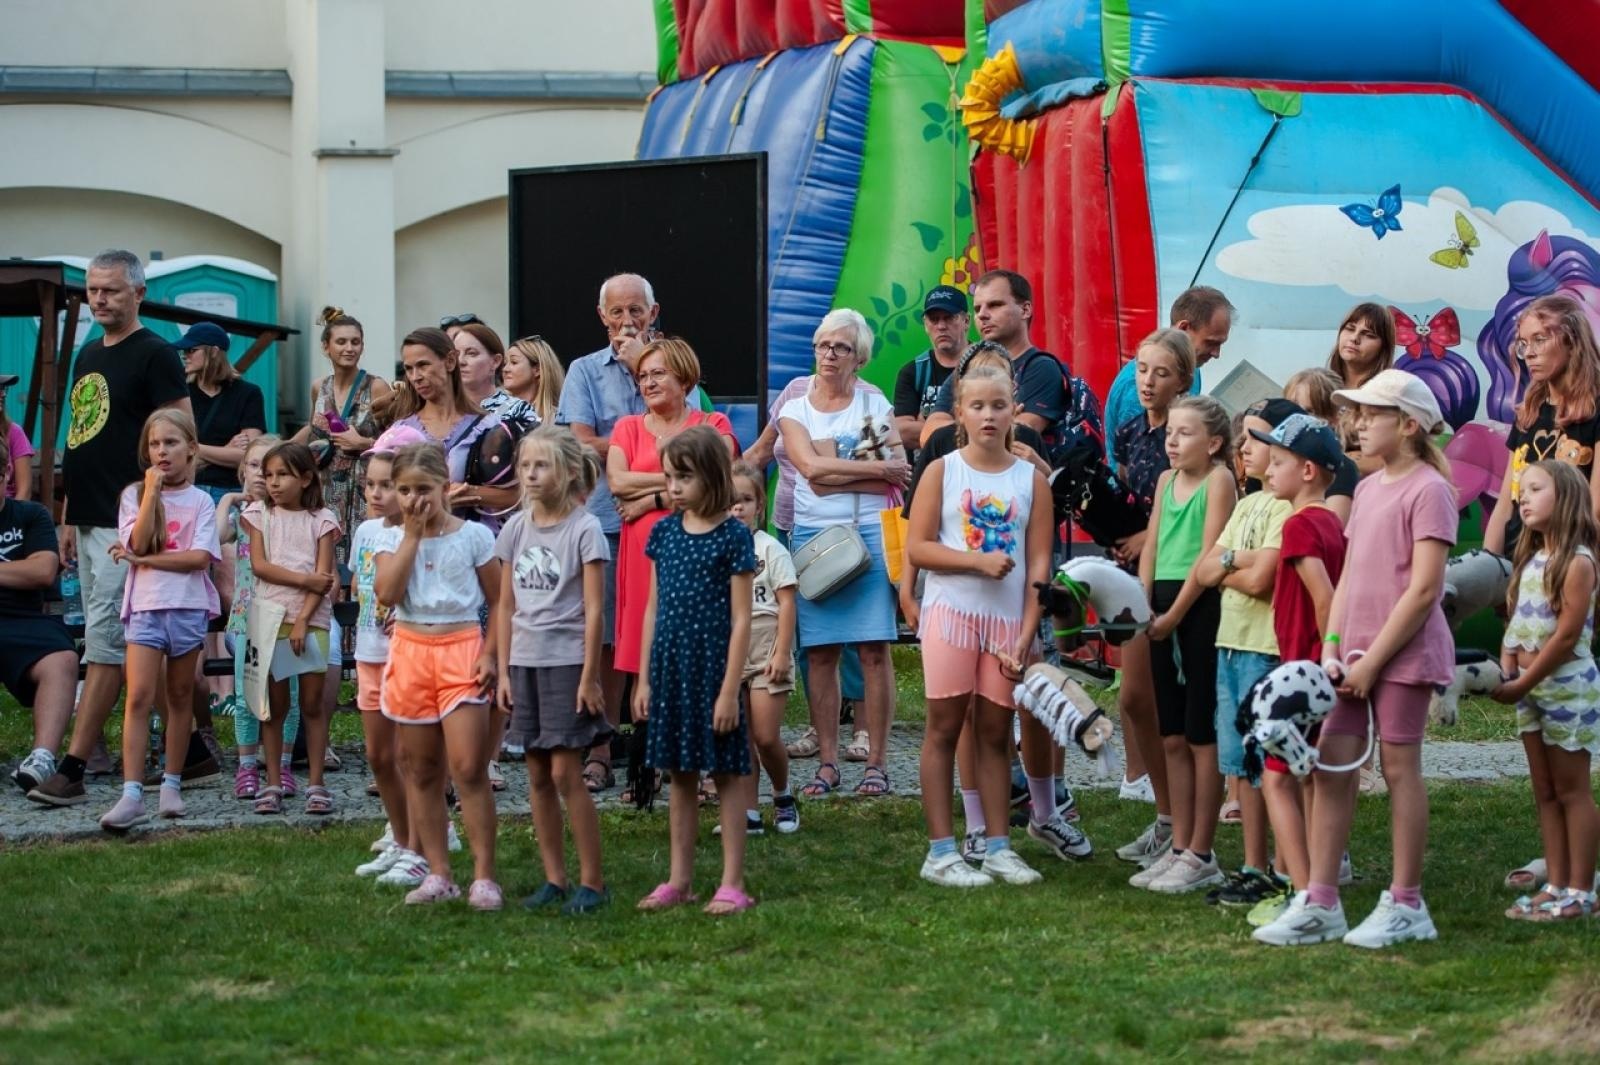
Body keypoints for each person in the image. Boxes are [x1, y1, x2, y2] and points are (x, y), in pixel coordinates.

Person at [1255, 370, 1454, 948]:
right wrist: (1335, 652)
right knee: (1330, 768)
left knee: (1398, 770)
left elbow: (1423, 590)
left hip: (1404, 655)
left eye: (1372, 416)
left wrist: (1372, 663)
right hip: (1350, 659)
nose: (1359, 425)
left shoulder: (1428, 490)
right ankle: (1319, 900)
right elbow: (1345, 584)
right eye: (1357, 416)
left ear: (1410, 425)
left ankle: (1408, 903)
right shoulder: (1366, 490)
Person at [30, 250, 194, 807]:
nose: (100, 299)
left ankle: (72, 767)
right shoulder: (88, 352)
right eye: (93, 291)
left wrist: (153, 508)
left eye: (112, 291)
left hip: (130, 520)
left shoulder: (156, 355)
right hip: (90, 514)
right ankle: (191, 752)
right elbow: (82, 432)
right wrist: (68, 511)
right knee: (113, 637)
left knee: (107, 641)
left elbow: (180, 433)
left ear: (137, 294)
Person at [909, 356, 1054, 887]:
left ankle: (997, 847)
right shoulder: (942, 471)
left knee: (996, 733)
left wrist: (1027, 631)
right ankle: (941, 851)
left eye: (998, 406)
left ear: (1014, 410)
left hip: (1006, 623)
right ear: (959, 413)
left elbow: (1039, 566)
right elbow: (920, 548)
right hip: (951, 616)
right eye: (977, 406)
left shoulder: (1031, 482)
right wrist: (976, 562)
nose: (988, 416)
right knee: (944, 728)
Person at [557, 273, 705, 787]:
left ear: (654, 311)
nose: (626, 321)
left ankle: (659, 745)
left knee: (668, 632)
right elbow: (580, 443)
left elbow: (699, 444)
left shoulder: (676, 364)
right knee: (606, 636)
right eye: (616, 312)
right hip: (604, 519)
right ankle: (600, 747)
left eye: (635, 311)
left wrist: (639, 365)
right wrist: (637, 450)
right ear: (602, 316)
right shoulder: (582, 370)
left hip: (677, 523)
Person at [778, 309, 910, 798]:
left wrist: (835, 471)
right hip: (815, 537)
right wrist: (863, 470)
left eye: (841, 347)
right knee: (821, 653)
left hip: (870, 534)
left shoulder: (873, 402)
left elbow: (899, 467)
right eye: (823, 345)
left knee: (875, 650)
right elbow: (810, 470)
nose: (830, 354)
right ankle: (828, 763)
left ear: (860, 358)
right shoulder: (794, 408)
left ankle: (876, 763)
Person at [633, 426, 757, 914]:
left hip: (714, 669)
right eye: (668, 478)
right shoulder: (663, 532)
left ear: (710, 476)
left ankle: (732, 882)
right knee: (680, 775)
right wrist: (643, 678)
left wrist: (730, 691)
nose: (673, 487)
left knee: (725, 773)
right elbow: (652, 608)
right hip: (670, 669)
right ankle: (679, 880)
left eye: (683, 477)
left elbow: (743, 617)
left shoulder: (732, 536)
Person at [375, 442, 502, 909]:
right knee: (421, 767)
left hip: (461, 647)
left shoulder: (473, 537)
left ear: (444, 488)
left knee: (468, 767)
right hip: (410, 650)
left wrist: (491, 653)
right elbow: (387, 593)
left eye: (423, 489)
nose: (413, 500)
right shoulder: (390, 538)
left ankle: (484, 874)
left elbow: (499, 598)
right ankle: (438, 871)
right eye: (404, 490)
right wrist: (410, 536)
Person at [494, 427, 613, 914]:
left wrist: (589, 676)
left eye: (540, 466)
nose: (530, 474)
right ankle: (554, 879)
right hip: (524, 662)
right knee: (537, 774)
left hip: (566, 663)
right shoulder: (515, 528)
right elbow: (503, 606)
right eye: (525, 466)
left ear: (566, 473)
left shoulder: (585, 529)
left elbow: (594, 610)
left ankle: (593, 882)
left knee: (567, 773)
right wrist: (502, 671)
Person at [606, 340, 736, 757]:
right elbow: (617, 482)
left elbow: (720, 479)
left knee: (694, 646)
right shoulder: (627, 427)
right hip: (642, 555)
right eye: (642, 376)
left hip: (699, 554)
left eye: (658, 373)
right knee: (645, 647)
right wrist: (678, 482)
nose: (648, 382)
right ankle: (650, 762)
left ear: (684, 376)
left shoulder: (711, 423)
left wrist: (649, 500)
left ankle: (704, 756)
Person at [1130, 395, 1237, 894]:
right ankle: (1178, 847)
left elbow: (1209, 553)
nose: (1172, 441)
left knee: (1201, 734)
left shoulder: (1220, 481)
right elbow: (1151, 545)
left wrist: (1174, 614)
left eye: (1185, 433)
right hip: (1160, 609)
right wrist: (1144, 601)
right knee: (1170, 732)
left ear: (1213, 443)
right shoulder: (1165, 480)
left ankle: (1201, 850)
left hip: (1198, 609)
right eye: (1170, 431)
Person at [1193, 399, 1298, 906]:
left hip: (1265, 649)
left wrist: (1232, 562)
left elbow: (1259, 582)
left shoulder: (1287, 507)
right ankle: (1254, 866)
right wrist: (1235, 560)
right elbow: (1205, 570)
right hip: (1229, 646)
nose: (1244, 447)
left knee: (1269, 766)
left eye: (1256, 438)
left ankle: (1284, 867)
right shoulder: (1246, 502)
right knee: (1240, 767)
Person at [97, 410, 221, 831]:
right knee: (139, 697)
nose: (161, 451)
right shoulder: (134, 494)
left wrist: (143, 560)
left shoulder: (202, 501)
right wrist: (151, 493)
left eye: (170, 443)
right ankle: (132, 792)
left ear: (191, 448)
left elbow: (199, 559)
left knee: (181, 695)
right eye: (154, 444)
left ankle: (172, 782)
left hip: (186, 609)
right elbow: (138, 538)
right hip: (147, 607)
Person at [1248, 413, 1348, 928]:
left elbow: (1326, 601)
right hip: (1314, 670)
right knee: (1306, 778)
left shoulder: (1300, 525)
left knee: (1276, 779)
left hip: (1303, 673)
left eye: (1279, 462)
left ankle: (1307, 894)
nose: (1268, 469)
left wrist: (1321, 665)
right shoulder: (1332, 521)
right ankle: (1311, 882)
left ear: (1308, 471)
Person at [1492, 460, 1600, 920]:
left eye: (1536, 488)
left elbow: (1566, 637)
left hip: (1566, 689)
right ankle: (1556, 882)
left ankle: (1582, 891)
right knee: (1545, 791)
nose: (1523, 497)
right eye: (1522, 489)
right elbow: (1517, 626)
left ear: (1568, 498)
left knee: (1573, 791)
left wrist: (1525, 683)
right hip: (1531, 691)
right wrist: (1507, 666)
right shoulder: (1531, 559)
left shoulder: (1576, 561)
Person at [1110, 329, 1192, 867]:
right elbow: (1123, 493)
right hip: (1132, 575)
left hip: (1174, 577)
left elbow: (1193, 507)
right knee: (1133, 699)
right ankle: (1166, 815)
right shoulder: (1131, 430)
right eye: (1141, 369)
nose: (1147, 381)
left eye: (1160, 372)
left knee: (1166, 710)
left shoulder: (1190, 434)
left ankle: (1180, 823)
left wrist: (1147, 538)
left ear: (1182, 379)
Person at [240, 442, 341, 816]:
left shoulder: (323, 520)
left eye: (282, 474)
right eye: (268, 475)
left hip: (309, 622)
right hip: (269, 621)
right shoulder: (259, 515)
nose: (274, 483)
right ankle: (272, 782)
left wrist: (301, 619)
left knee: (313, 705)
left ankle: (316, 783)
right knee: (273, 706)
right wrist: (305, 580)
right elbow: (261, 566)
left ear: (306, 477)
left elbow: (325, 578)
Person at [920, 270, 1103, 464]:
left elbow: (1013, 440)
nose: (982, 315)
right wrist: (993, 425)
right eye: (977, 308)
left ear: (1025, 310)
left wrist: (961, 422)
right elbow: (928, 436)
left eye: (995, 305)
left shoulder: (1042, 368)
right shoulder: (968, 366)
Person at [349, 426, 426, 883]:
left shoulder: (420, 534)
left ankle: (420, 844)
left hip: (408, 654)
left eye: (386, 486)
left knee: (409, 756)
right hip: (370, 652)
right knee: (378, 755)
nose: (376, 494)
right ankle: (399, 838)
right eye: (370, 485)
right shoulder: (364, 530)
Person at [216, 436, 302, 801]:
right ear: (242, 471)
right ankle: (247, 766)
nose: (263, 475)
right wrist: (228, 499)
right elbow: (216, 538)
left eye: (271, 468)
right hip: (247, 620)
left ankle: (280, 765)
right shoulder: (242, 516)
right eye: (254, 466)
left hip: (285, 617)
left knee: (289, 696)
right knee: (247, 692)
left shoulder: (292, 514)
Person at [1484, 295, 1600, 556]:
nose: (1529, 354)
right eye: (1524, 344)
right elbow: (1505, 505)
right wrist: (1491, 566)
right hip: (1516, 561)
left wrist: (1560, 566)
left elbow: (1595, 508)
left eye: (1540, 339)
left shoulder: (1595, 410)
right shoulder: (1529, 414)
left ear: (1572, 341)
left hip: (1568, 561)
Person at [2, 436, 79, 798]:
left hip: (26, 620)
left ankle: (42, 758)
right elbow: (27, 569)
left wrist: (26, 569)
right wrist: (16, 569)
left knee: (62, 659)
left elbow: (43, 571)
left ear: (6, 474)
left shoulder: (31, 516)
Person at [293, 307, 393, 573]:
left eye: (355, 342)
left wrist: (363, 443)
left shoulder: (377, 387)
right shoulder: (319, 387)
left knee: (364, 562)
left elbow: (397, 440)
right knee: (327, 562)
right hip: (326, 484)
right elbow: (313, 428)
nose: (349, 348)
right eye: (341, 342)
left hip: (363, 485)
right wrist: (283, 449)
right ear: (326, 347)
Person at [730, 462, 800, 835]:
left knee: (766, 735)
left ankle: (782, 792)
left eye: (744, 500)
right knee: (739, 737)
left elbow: (787, 602)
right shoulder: (716, 550)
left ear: (760, 504)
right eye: (729, 501)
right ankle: (748, 811)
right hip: (730, 651)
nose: (736, 508)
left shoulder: (770, 549)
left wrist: (780, 652)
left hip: (766, 647)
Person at [392, 327, 519, 531]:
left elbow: (515, 494)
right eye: (409, 369)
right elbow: (381, 496)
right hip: (417, 545)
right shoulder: (400, 432)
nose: (416, 376)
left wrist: (470, 493)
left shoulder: (488, 426)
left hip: (476, 545)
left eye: (423, 365)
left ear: (450, 361)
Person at [1103, 287, 1235, 471]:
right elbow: (1135, 467)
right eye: (1211, 342)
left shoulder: (1193, 367)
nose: (1216, 353)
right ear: (1183, 328)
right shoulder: (1135, 390)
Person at [178, 322, 266, 506]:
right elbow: (176, 456)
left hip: (231, 493)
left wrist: (194, 449)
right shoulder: (181, 393)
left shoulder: (248, 393)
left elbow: (248, 457)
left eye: (191, 350)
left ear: (214, 351)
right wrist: (227, 449)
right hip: (189, 490)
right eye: (183, 351)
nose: (185, 355)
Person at [893, 285, 969, 461]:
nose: (941, 326)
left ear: (966, 321)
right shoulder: (913, 371)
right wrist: (970, 428)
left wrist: (926, 426)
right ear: (925, 325)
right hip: (924, 473)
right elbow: (902, 433)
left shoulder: (985, 364)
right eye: (934, 319)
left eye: (949, 318)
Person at [1323, 303, 1397, 477]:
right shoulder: (1322, 385)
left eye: (1368, 335)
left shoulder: (1385, 397)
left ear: (1383, 348)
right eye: (1350, 329)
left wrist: (1328, 459)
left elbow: (1386, 461)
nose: (1355, 338)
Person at [1283, 368, 1357, 523]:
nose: (1299, 418)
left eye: (1310, 411)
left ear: (1334, 418)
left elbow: (1329, 533)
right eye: (1292, 409)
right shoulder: (1277, 465)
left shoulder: (1341, 468)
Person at [454, 323, 536, 425]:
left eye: (471, 353)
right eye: (456, 354)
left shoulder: (518, 411)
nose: (461, 361)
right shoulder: (442, 409)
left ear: (495, 361)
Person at [504, 335, 565, 427]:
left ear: (537, 370)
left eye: (514, 362)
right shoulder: (494, 412)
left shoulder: (558, 420)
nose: (505, 369)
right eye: (505, 363)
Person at [0, 374, 36, 500]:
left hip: (8, 513)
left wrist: (12, 518)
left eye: (3, 388)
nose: (3, 394)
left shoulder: (14, 432)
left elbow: (24, 491)